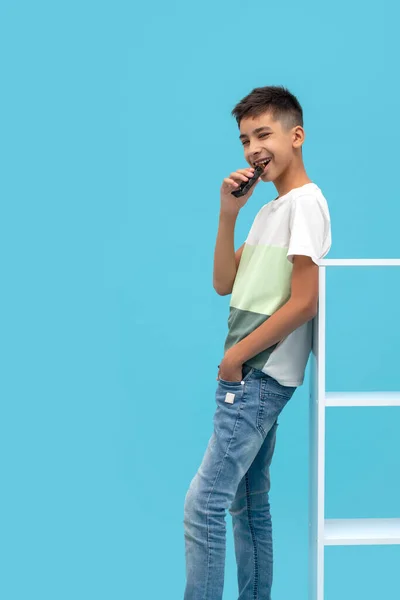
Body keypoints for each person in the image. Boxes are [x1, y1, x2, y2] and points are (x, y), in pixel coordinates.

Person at [183, 85, 332, 600]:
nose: (251, 149)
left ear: (297, 136)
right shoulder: (272, 210)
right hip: (254, 375)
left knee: (203, 505)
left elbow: (305, 302)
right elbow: (224, 281)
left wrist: (235, 358)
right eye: (245, 139)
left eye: (263, 134)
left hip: (256, 376)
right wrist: (229, 213)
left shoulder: (306, 205)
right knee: (248, 504)